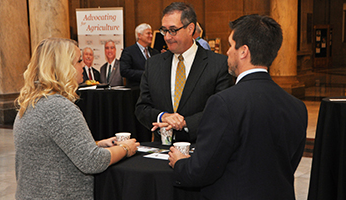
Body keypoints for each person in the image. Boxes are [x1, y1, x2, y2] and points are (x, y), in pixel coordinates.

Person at [168, 14, 308, 200]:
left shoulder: (223, 103)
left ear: (243, 51)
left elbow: (200, 171)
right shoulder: (297, 107)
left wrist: (180, 163)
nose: (227, 52)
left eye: (230, 44)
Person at [13, 38, 140, 199]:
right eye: (79, 60)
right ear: (64, 67)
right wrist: (126, 148)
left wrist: (97, 144)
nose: (83, 65)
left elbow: (50, 149)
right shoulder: (59, 107)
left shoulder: (31, 102)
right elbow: (92, 161)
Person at [135, 2, 233, 143]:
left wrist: (185, 123)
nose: (167, 37)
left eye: (173, 30)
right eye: (164, 30)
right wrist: (163, 116)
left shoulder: (218, 64)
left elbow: (222, 111)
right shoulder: (153, 64)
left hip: (201, 147)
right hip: (160, 150)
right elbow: (141, 108)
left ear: (190, 29)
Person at [120, 23, 159, 87]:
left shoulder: (155, 52)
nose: (151, 36)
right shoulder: (129, 52)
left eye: (151, 33)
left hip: (153, 90)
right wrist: (145, 74)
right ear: (139, 35)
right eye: (148, 33)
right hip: (136, 91)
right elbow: (124, 71)